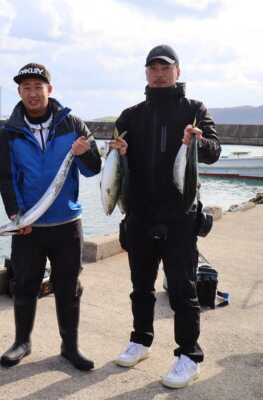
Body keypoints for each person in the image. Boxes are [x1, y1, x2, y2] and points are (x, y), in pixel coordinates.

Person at [110, 44, 221, 388]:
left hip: (180, 215)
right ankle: (140, 341)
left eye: (165, 67)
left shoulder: (194, 110)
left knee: (183, 290)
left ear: (177, 71)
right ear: (146, 73)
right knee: (140, 287)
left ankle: (189, 356)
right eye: (153, 68)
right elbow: (114, 164)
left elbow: (214, 153)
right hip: (139, 214)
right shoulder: (130, 115)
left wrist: (199, 141)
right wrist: (117, 151)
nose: (159, 73)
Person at [0, 63, 101, 371]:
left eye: (38, 87)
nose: (32, 93)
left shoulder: (74, 124)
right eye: (26, 88)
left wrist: (84, 152)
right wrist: (16, 215)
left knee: (68, 285)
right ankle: (22, 342)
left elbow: (92, 169)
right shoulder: (9, 133)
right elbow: (5, 176)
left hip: (67, 224)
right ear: (19, 92)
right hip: (29, 226)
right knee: (24, 284)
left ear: (48, 90)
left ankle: (70, 346)